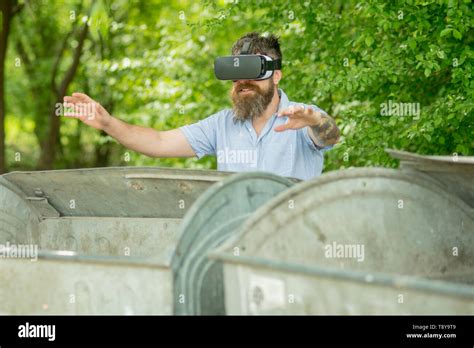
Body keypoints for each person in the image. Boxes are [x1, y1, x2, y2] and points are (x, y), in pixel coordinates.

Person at [64, 32, 340, 180]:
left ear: (276, 75)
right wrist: (108, 124)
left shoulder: (304, 116)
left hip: (293, 244)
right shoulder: (221, 125)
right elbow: (159, 142)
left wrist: (316, 121)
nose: (242, 82)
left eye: (252, 72)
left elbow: (331, 136)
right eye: (236, 74)